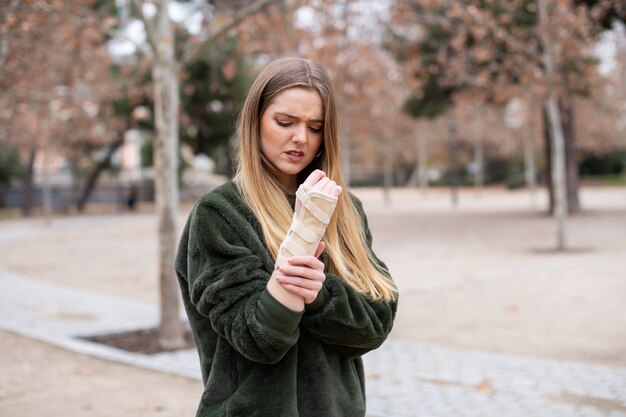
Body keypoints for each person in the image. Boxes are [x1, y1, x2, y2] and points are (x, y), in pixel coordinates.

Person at [175, 57, 398, 417]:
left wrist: (321, 293)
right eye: (284, 122)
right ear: (255, 122)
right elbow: (258, 340)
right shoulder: (219, 213)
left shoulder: (344, 208)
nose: (300, 138)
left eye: (314, 127)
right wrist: (297, 278)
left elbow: (375, 324)